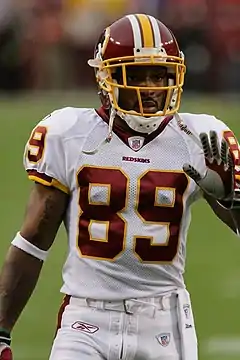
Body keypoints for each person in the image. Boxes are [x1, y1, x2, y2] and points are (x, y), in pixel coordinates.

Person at [0, 13, 240, 360]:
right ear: (105, 78)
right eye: (136, 75)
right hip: (85, 317)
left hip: (164, 318)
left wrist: (232, 198)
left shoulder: (200, 139)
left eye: (160, 75)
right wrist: (2, 330)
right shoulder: (69, 134)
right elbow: (34, 238)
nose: (151, 89)